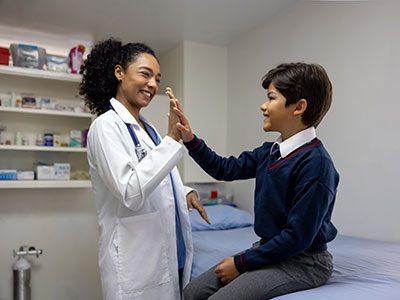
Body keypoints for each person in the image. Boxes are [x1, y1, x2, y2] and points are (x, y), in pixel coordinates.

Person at [169, 62, 339, 300]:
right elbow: (224, 168)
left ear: (299, 107)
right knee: (191, 293)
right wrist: (189, 139)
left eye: (271, 98)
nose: (263, 106)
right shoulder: (270, 152)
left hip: (304, 261)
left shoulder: (316, 164)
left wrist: (240, 263)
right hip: (270, 250)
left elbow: (297, 237)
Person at [79, 38, 210, 300]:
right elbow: (129, 189)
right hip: (136, 263)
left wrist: (183, 191)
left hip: (166, 255)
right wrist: (172, 139)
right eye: (145, 74)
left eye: (158, 79)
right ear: (119, 73)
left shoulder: (147, 129)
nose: (153, 84)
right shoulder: (106, 127)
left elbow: (156, 176)